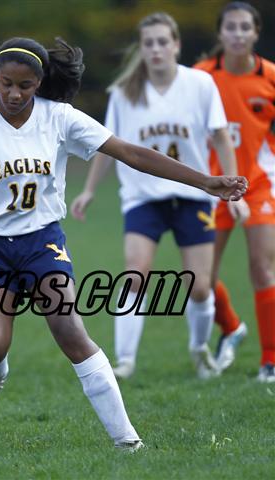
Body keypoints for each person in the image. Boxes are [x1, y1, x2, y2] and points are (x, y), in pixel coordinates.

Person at [0, 36, 246, 450]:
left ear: (40, 83)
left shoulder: (59, 118)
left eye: (25, 86)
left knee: (71, 330)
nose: (14, 93)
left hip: (41, 241)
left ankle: (127, 441)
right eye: (6, 83)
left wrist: (205, 181)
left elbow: (130, 153)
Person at [70, 12, 248, 380]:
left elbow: (220, 136)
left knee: (200, 285)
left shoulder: (200, 84)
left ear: (176, 45)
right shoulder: (124, 92)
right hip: (143, 198)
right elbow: (108, 146)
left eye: (162, 42)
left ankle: (199, 350)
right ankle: (125, 361)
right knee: (135, 274)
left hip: (193, 196)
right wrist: (88, 190)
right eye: (148, 43)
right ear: (141, 48)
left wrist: (231, 186)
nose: (155, 49)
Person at [194, 1, 275, 383]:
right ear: (220, 33)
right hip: (211, 187)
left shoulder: (270, 76)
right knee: (201, 278)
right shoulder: (200, 76)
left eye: (245, 27)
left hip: (258, 185)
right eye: (231, 27)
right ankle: (230, 327)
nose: (238, 34)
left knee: (262, 268)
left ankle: (270, 360)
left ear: (256, 32)